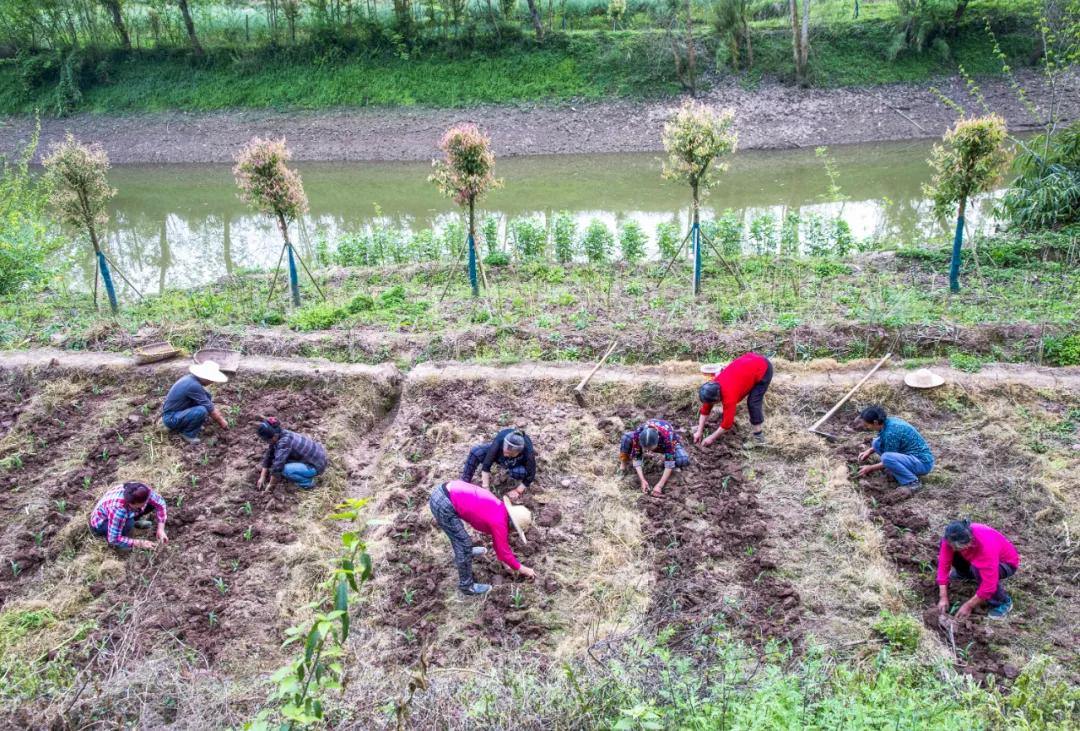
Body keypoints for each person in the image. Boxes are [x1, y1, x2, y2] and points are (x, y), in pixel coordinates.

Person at [428, 479, 535, 596]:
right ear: (513, 525)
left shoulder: (500, 509)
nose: (513, 532)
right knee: (463, 544)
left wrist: (505, 563)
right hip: (444, 502)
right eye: (515, 530)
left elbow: (499, 544)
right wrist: (524, 570)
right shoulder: (499, 522)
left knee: (459, 538)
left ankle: (466, 552)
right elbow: (504, 551)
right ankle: (467, 586)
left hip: (445, 491)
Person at [936, 519, 1020, 619]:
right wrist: (943, 597)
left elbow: (989, 585)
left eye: (963, 547)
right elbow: (943, 565)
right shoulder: (951, 538)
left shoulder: (985, 546)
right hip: (976, 559)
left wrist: (969, 605)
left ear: (971, 539)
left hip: (1006, 564)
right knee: (954, 552)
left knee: (978, 569)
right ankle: (965, 573)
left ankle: (1002, 602)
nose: (955, 549)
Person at [695, 352, 773, 446]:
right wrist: (699, 431)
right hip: (750, 360)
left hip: (763, 368)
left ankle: (759, 439)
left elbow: (727, 424)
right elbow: (705, 410)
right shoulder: (712, 386)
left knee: (753, 402)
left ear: (717, 399)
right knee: (748, 387)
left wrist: (711, 438)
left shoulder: (729, 397)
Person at [854, 405, 934, 495]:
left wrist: (870, 468)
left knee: (887, 458)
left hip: (922, 463)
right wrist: (869, 451)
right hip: (911, 457)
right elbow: (883, 442)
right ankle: (896, 469)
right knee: (876, 443)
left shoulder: (891, 432)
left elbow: (888, 458)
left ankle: (912, 482)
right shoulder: (888, 423)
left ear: (875, 422)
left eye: (867, 424)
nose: (866, 427)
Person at [161, 361, 230, 445]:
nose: (212, 382)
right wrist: (222, 422)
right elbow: (210, 408)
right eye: (212, 380)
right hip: (171, 418)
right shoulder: (193, 385)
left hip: (179, 412)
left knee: (206, 396)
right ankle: (188, 434)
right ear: (206, 377)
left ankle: (193, 423)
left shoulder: (191, 379)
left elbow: (207, 401)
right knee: (202, 410)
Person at [89, 481, 168, 551]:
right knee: (128, 524)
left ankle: (134, 522)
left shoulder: (141, 489)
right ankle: (121, 545)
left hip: (121, 513)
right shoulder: (119, 509)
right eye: (139, 506)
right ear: (130, 503)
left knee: (151, 504)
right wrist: (139, 543)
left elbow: (160, 503)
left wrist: (161, 529)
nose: (143, 507)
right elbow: (113, 538)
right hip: (101, 523)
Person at [619, 419, 690, 497]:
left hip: (667, 439)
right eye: (645, 449)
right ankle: (623, 466)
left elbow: (669, 463)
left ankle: (665, 465)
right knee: (626, 437)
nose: (648, 451)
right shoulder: (638, 434)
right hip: (651, 438)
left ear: (657, 442)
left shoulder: (667, 438)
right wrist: (642, 480)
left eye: (650, 449)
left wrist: (659, 486)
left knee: (682, 459)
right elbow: (636, 457)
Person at [462, 428, 536, 500]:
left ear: (519, 452)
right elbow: (486, 464)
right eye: (505, 452)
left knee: (519, 472)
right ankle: (464, 481)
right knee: (476, 451)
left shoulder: (528, 452)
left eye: (510, 454)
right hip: (499, 456)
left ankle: (511, 469)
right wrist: (485, 487)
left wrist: (518, 491)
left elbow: (531, 475)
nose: (506, 455)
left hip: (516, 463)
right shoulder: (500, 439)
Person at [256, 417, 328, 490]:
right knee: (279, 459)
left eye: (266, 440)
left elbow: (277, 468)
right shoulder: (282, 433)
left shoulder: (284, 443)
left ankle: (307, 483)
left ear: (274, 436)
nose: (266, 442)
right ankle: (303, 471)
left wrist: (270, 485)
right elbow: (269, 455)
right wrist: (262, 477)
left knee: (284, 470)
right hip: (318, 457)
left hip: (317, 465)